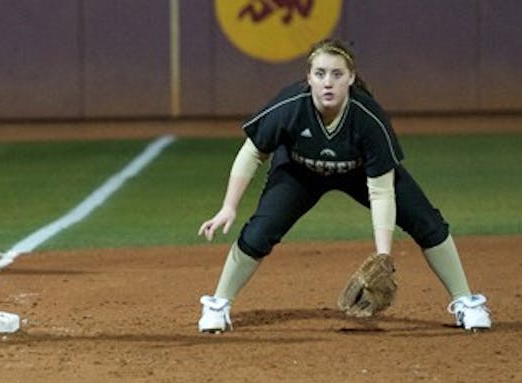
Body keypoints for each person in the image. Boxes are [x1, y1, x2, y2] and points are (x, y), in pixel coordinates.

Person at [196, 38, 491, 333]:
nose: (328, 82)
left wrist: (383, 256)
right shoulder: (290, 107)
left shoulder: (368, 119)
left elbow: (381, 191)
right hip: (300, 172)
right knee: (260, 232)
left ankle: (466, 302)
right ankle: (218, 304)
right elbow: (252, 152)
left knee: (427, 222)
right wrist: (229, 206)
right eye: (320, 73)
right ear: (308, 77)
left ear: (350, 78)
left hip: (359, 173)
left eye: (337, 74)